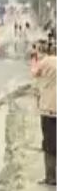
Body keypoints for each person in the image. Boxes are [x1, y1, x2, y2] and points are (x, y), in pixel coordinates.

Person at [31, 49, 56, 185]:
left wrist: (34, 59)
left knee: (49, 143)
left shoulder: (47, 61)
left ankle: (51, 177)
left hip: (49, 109)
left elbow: (34, 72)